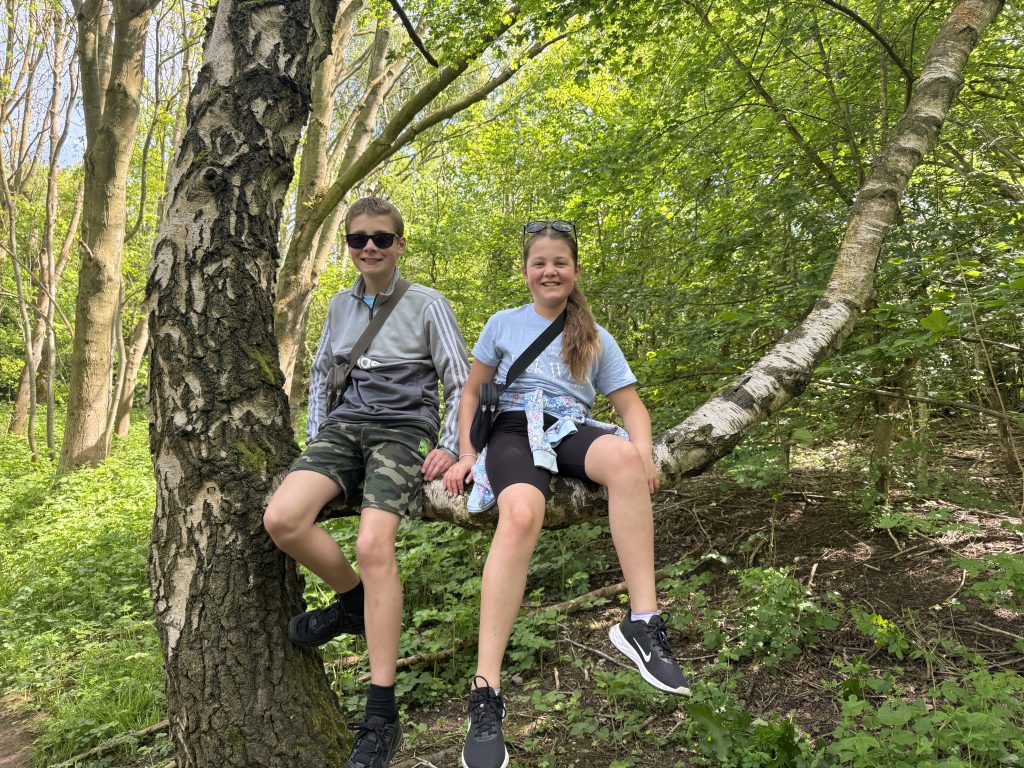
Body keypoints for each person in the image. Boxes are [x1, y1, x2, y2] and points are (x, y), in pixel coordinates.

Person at [443, 220, 689, 768]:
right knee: (522, 512)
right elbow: (473, 390)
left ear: (574, 270)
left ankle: (642, 622)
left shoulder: (595, 337)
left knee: (624, 459)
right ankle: (486, 692)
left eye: (560, 262)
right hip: (511, 429)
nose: (549, 270)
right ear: (526, 271)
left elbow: (630, 408)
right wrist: (463, 452)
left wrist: (644, 452)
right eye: (539, 262)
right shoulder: (504, 324)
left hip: (569, 428)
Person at [263, 197, 469, 768]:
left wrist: (452, 445)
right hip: (344, 430)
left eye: (381, 237)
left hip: (403, 432)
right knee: (282, 518)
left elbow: (460, 379)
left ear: (400, 245)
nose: (370, 247)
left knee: (373, 544)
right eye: (358, 239)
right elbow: (324, 377)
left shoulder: (428, 304)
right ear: (349, 248)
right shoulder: (337, 306)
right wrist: (317, 438)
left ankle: (381, 715)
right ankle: (353, 602)